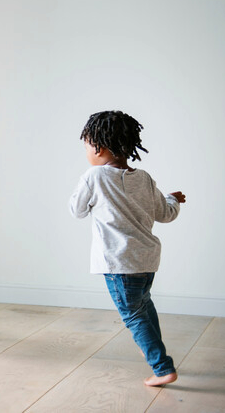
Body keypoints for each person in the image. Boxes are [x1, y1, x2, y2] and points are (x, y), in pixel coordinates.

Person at [69, 110, 186, 387]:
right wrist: (173, 199)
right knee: (144, 307)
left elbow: (77, 210)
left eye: (86, 145)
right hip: (147, 261)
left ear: (99, 147)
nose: (86, 152)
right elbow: (166, 214)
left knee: (133, 316)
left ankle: (162, 368)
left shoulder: (93, 176)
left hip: (118, 264)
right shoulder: (144, 178)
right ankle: (162, 361)